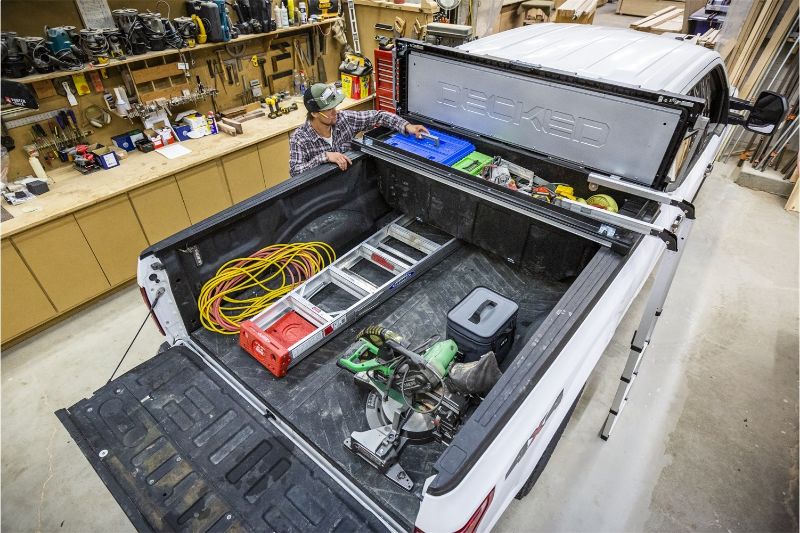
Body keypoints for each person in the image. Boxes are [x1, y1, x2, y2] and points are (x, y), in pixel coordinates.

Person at [289, 83, 429, 176]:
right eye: (329, 110)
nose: (335, 112)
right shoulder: (300, 138)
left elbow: (378, 116)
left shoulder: (344, 119)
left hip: (351, 184)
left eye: (335, 107)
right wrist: (324, 157)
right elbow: (295, 172)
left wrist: (407, 126)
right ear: (314, 113)